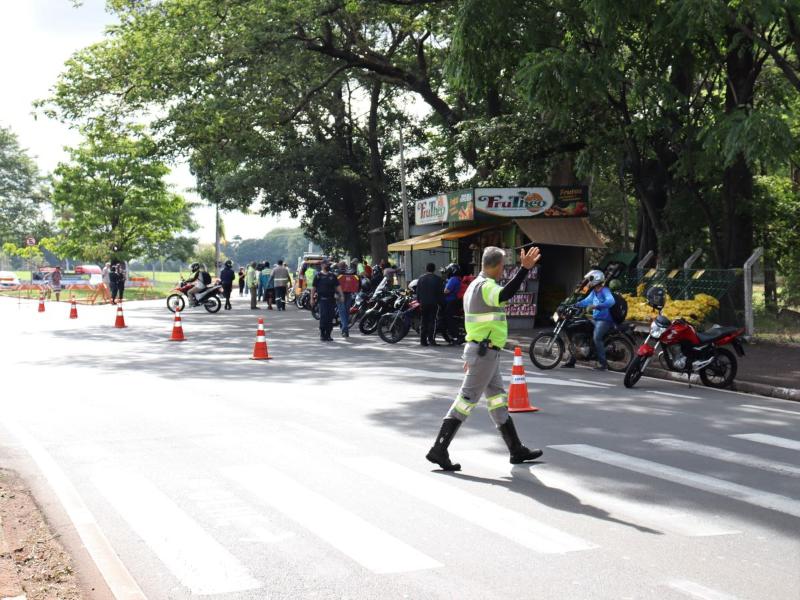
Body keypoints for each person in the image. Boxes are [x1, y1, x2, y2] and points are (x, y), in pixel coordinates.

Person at [426, 246, 543, 472]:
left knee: (497, 400)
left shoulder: (474, 285)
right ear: (498, 266)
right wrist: (524, 270)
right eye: (503, 266)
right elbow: (506, 294)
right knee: (466, 400)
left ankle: (516, 449)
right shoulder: (487, 286)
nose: (503, 270)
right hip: (484, 353)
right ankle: (439, 448)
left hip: (484, 352)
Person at [568, 269, 616, 371]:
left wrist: (596, 306)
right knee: (580, 334)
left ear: (596, 279)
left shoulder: (605, 290)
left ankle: (603, 364)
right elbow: (586, 301)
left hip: (604, 320)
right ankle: (572, 361)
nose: (589, 282)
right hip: (595, 319)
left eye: (590, 279)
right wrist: (575, 305)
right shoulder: (594, 292)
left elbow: (611, 301)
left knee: (597, 338)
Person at [312, 261, 341, 341]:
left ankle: (328, 334)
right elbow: (313, 288)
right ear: (322, 265)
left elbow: (337, 286)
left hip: (331, 300)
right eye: (326, 264)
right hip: (322, 299)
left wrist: (341, 295)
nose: (328, 266)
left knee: (330, 317)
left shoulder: (333, 276)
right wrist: (311, 299)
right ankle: (322, 334)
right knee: (324, 317)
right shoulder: (318, 276)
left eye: (328, 264)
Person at [416, 263, 443, 346]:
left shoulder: (421, 279)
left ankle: (423, 341)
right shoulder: (438, 279)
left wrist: (419, 301)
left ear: (426, 269)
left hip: (423, 303)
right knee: (432, 321)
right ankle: (431, 339)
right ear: (434, 269)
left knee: (424, 321)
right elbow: (440, 293)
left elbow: (418, 292)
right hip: (434, 303)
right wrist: (440, 303)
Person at [337, 262, 360, 338]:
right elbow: (358, 281)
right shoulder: (351, 273)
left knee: (342, 312)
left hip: (340, 295)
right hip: (349, 294)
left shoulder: (338, 273)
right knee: (346, 312)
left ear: (339, 266)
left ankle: (345, 329)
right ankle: (344, 328)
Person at [443, 263, 462, 344]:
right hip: (454, 301)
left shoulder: (453, 279)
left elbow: (446, 291)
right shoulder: (457, 279)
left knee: (448, 318)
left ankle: (455, 335)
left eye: (449, 270)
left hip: (450, 302)